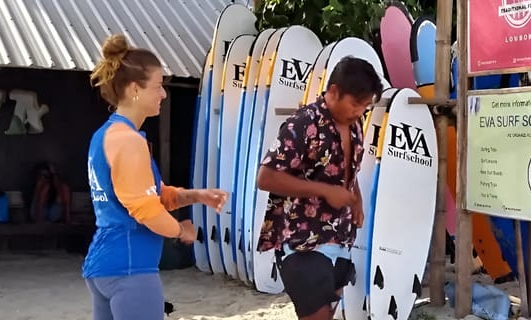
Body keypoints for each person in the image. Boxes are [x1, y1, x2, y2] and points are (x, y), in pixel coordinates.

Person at [81, 34, 227, 320]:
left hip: (104, 267)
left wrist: (196, 195)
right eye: (159, 86)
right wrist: (181, 230)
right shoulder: (129, 141)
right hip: (130, 268)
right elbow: (145, 210)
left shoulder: (105, 135)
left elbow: (155, 195)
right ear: (135, 89)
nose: (163, 94)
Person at [256, 56, 383, 320]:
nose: (360, 111)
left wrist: (356, 199)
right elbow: (265, 177)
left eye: (365, 106)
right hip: (302, 242)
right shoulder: (303, 124)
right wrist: (324, 191)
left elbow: (345, 171)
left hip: (341, 238)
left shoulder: (355, 125)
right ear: (334, 91)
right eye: (356, 104)